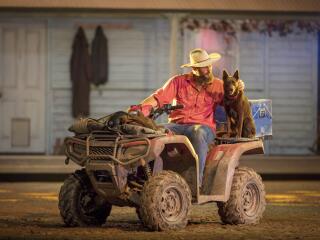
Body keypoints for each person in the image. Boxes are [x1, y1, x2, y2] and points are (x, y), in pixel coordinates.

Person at [133, 48, 244, 186]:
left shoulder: (219, 85)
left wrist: (238, 89)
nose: (209, 69)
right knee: (154, 131)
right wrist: (139, 109)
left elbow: (233, 102)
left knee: (197, 132)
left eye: (209, 65)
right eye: (204, 67)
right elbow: (158, 97)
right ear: (194, 69)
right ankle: (147, 178)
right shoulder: (178, 82)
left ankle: (196, 182)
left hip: (204, 128)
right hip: (177, 125)